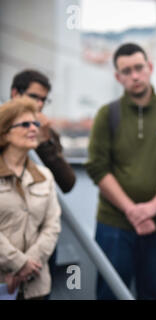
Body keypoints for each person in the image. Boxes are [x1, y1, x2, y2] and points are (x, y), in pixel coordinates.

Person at [85, 43, 156, 300]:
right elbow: (98, 167)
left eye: (138, 68)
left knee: (153, 294)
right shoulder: (107, 115)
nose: (134, 76)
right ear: (117, 77)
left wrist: (151, 209)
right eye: (126, 71)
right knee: (110, 293)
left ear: (150, 67)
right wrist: (133, 211)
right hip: (115, 225)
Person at [0, 97, 61, 300]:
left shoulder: (45, 176)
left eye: (35, 123)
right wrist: (17, 263)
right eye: (25, 124)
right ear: (5, 133)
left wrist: (29, 264)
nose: (34, 128)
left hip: (36, 285)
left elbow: (52, 225)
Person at [10, 70, 76, 193]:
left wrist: (45, 143)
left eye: (43, 100)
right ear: (15, 94)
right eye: (33, 97)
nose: (39, 104)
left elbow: (67, 183)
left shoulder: (46, 132)